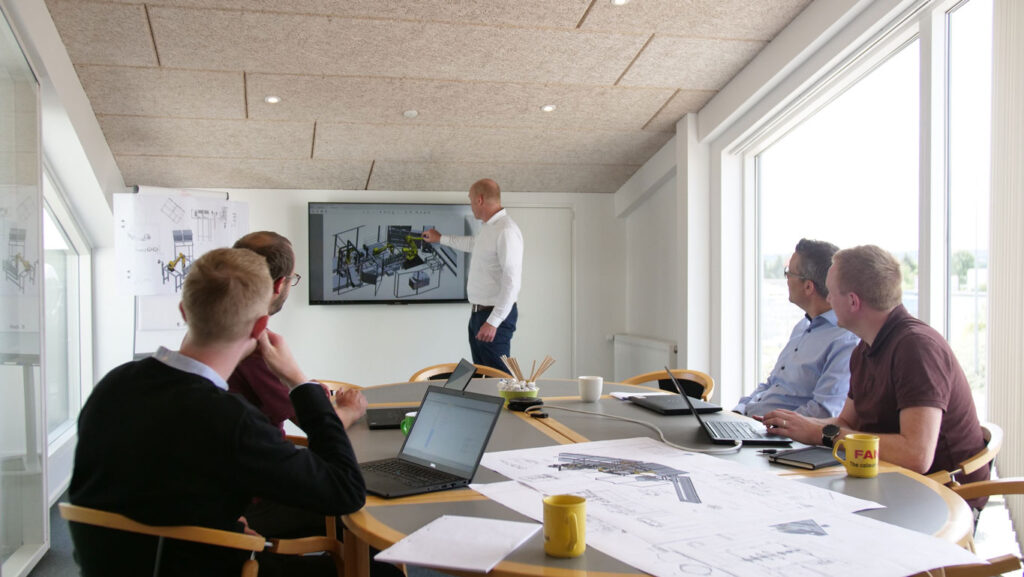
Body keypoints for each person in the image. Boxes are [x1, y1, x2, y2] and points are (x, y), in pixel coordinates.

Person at [68, 248, 368, 576]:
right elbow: (345, 491)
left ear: (184, 311)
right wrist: (298, 381)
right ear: (260, 326)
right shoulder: (232, 420)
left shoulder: (115, 384)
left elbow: (134, 482)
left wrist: (222, 521)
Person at [759, 245, 989, 506]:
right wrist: (799, 425)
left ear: (853, 301)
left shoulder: (916, 348)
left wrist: (819, 433)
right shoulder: (864, 349)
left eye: (832, 292)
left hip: (941, 497)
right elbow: (848, 422)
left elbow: (916, 455)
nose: (828, 300)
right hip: (890, 482)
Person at [734, 239, 858, 417]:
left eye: (788, 273)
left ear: (808, 286)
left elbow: (824, 412)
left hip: (778, 430)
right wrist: (739, 410)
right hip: (752, 421)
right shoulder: (802, 327)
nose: (786, 279)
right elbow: (772, 384)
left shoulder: (845, 340)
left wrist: (773, 424)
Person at [422, 178, 523, 371]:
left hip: (493, 316)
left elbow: (512, 282)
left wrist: (493, 322)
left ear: (480, 200)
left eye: (470, 200)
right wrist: (440, 239)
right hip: (479, 314)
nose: (470, 205)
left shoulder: (506, 230)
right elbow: (473, 244)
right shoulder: (490, 228)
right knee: (482, 375)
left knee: (497, 377)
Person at [228, 231, 301, 436]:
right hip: (264, 453)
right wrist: (351, 409)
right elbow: (315, 423)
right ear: (279, 284)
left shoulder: (206, 331)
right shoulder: (258, 346)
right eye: (292, 278)